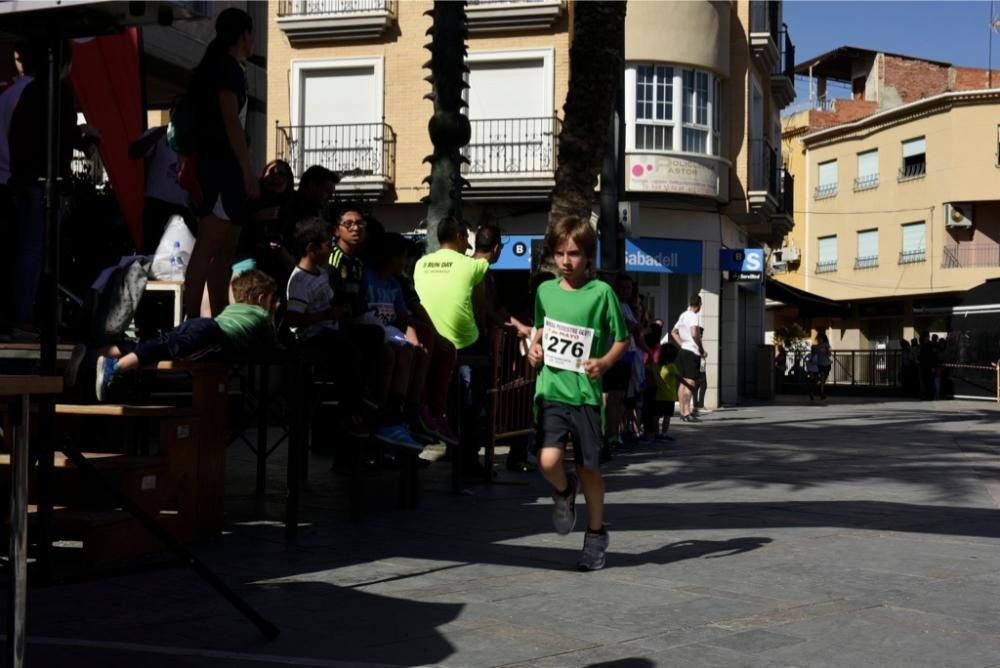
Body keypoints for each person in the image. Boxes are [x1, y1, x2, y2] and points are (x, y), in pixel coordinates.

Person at [527, 216, 629, 571]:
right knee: (548, 461)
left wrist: (603, 363)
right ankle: (563, 490)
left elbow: (622, 338)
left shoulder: (602, 294)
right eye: (560, 253)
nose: (566, 261)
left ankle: (596, 534)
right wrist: (532, 351)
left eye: (574, 254)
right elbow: (540, 329)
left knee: (590, 470)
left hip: (586, 395)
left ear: (588, 256)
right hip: (552, 389)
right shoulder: (545, 291)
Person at [9, 40, 100, 338]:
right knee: (38, 252)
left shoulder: (27, 91)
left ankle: (22, 315)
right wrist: (87, 140)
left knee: (25, 249)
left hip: (21, 180)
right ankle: (26, 317)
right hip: (43, 183)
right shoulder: (57, 92)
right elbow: (62, 134)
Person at [94, 269, 278, 401]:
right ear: (261, 299)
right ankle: (115, 368)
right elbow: (272, 344)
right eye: (272, 300)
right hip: (216, 336)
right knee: (166, 349)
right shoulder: (261, 314)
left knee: (159, 343)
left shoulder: (232, 309)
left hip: (201, 324)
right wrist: (273, 315)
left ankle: (97, 354)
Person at [182, 7, 259, 319]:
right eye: (251, 34)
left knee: (226, 249)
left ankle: (218, 317)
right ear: (243, 34)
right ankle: (190, 318)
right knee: (210, 243)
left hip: (225, 169)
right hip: (221, 168)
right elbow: (230, 122)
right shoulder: (224, 68)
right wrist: (246, 172)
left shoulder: (228, 67)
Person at [414, 216, 491, 473]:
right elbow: (486, 262)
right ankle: (466, 455)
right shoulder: (471, 266)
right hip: (463, 342)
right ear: (460, 237)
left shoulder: (420, 264)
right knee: (471, 400)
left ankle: (428, 440)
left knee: (436, 396)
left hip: (430, 342)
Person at [667, 295, 706, 422]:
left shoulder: (683, 315)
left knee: (683, 383)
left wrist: (682, 344)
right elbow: (695, 333)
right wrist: (700, 349)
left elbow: (673, 332)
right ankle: (687, 412)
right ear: (698, 304)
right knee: (690, 383)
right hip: (692, 352)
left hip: (683, 351)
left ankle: (683, 412)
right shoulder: (694, 316)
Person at [645, 342, 680, 441]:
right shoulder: (671, 367)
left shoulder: (655, 366)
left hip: (658, 395)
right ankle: (664, 434)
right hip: (669, 396)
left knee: (656, 415)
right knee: (667, 416)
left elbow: (646, 367)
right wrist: (690, 386)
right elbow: (680, 378)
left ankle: (656, 433)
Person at [814, 331, 832, 400]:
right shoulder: (817, 346)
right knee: (822, 378)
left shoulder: (826, 344)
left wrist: (827, 351)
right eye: (818, 338)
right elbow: (814, 353)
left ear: (823, 339)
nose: (819, 340)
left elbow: (829, 354)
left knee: (823, 380)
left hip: (827, 364)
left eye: (820, 338)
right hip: (820, 364)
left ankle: (821, 390)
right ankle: (822, 393)